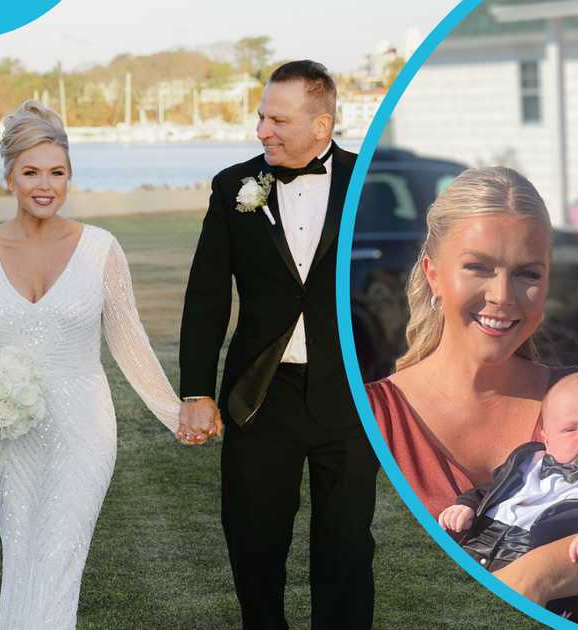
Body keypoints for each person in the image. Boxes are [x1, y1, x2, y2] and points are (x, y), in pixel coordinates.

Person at [365, 166, 578, 630]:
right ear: (433, 274)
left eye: (527, 273)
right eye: (478, 267)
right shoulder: (374, 416)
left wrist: (536, 576)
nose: (503, 296)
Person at [0, 100, 206, 629]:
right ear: (9, 177)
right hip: (7, 439)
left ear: (70, 176)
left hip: (84, 427)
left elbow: (129, 339)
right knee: (22, 558)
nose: (46, 185)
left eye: (58, 172)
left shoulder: (100, 248)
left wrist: (173, 411)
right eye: (31, 172)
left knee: (60, 558)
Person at [177, 60, 379, 630]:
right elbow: (207, 297)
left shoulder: (368, 183)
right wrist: (197, 390)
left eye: (278, 119)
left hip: (350, 397)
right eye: (262, 115)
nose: (262, 129)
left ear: (322, 125)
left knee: (345, 548)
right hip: (260, 396)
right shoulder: (231, 187)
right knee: (254, 542)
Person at [439, 371, 578, 615]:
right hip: (479, 541)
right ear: (546, 439)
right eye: (570, 429)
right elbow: (490, 489)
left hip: (532, 559)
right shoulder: (526, 460)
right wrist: (466, 505)